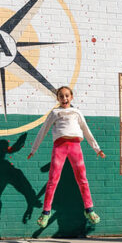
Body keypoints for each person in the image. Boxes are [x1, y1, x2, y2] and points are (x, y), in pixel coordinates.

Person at [27, 86, 105, 228]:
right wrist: (34, 149)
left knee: (82, 179)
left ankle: (89, 209)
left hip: (75, 147)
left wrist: (97, 149)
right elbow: (43, 130)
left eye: (67, 95)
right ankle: (46, 212)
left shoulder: (77, 112)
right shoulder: (55, 113)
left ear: (71, 97)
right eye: (61, 96)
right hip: (60, 147)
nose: (64, 98)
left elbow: (86, 130)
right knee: (53, 180)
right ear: (58, 98)